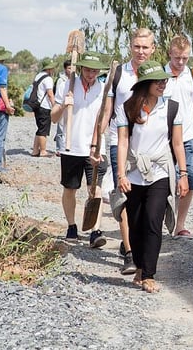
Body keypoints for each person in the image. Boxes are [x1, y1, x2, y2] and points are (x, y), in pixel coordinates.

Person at [115, 60, 190, 293]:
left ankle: (149, 274)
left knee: (152, 221)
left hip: (159, 172)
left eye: (164, 80)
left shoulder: (171, 107)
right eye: (157, 81)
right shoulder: (127, 108)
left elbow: (177, 143)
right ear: (145, 83)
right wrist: (120, 174)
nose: (162, 84)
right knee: (136, 224)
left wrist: (183, 174)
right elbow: (123, 141)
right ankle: (138, 265)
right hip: (134, 173)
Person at [105, 27, 156, 274]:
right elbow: (107, 111)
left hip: (150, 148)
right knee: (125, 196)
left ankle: (138, 245)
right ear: (130, 47)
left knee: (145, 202)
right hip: (120, 142)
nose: (141, 51)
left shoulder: (157, 74)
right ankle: (129, 252)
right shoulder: (119, 74)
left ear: (153, 49)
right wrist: (96, 143)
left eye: (145, 47)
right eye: (137, 46)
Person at [51, 51, 109, 247]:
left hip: (95, 148)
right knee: (70, 189)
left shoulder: (103, 89)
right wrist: (63, 105)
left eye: (95, 71)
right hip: (70, 147)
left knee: (96, 189)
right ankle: (72, 226)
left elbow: (104, 119)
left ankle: (96, 230)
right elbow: (53, 117)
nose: (91, 74)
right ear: (81, 68)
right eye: (88, 70)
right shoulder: (67, 85)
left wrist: (96, 145)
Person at [162, 34, 193, 238]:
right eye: (177, 58)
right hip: (163, 137)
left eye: (185, 58)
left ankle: (180, 224)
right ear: (170, 53)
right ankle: (161, 216)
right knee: (163, 181)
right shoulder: (160, 75)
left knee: (189, 178)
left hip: (189, 134)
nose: (180, 62)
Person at [31, 61, 56, 157]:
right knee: (43, 130)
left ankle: (35, 150)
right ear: (49, 69)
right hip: (44, 106)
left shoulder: (38, 76)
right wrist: (54, 106)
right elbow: (50, 94)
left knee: (40, 128)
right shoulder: (48, 78)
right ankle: (43, 151)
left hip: (37, 105)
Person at [53, 60, 72, 156]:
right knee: (60, 128)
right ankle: (59, 148)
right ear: (65, 69)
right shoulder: (62, 81)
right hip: (62, 108)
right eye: (69, 68)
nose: (71, 70)